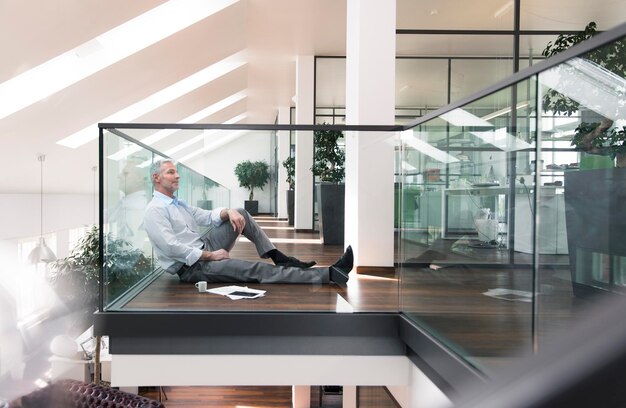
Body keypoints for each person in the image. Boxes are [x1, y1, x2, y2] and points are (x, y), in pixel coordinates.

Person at [143, 159, 352, 285]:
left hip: (204, 246)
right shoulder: (155, 211)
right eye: (171, 172)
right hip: (193, 266)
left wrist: (229, 211)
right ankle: (329, 274)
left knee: (240, 211)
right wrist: (211, 255)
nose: (177, 176)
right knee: (255, 270)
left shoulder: (178, 203)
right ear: (156, 178)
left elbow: (206, 216)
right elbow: (172, 248)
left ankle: (278, 256)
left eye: (176, 171)